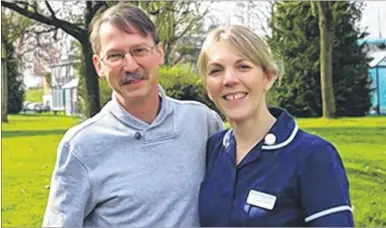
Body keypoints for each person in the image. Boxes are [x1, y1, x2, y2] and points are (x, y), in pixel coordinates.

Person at [42, 3, 223, 227]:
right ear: (99, 66)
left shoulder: (202, 122)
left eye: (139, 50)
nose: (130, 65)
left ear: (160, 53)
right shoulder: (81, 147)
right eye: (115, 55)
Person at [197, 25, 354, 227]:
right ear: (208, 88)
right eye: (216, 71)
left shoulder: (314, 155)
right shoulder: (213, 150)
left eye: (243, 66)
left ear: (268, 77)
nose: (229, 79)